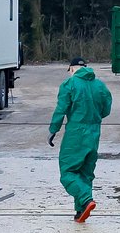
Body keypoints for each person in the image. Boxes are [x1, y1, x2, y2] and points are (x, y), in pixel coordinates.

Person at [48, 57, 112, 222]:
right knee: (85, 173)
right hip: (94, 132)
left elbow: (61, 109)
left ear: (71, 69)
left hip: (76, 133)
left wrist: (53, 129)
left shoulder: (69, 84)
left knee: (68, 172)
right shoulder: (100, 86)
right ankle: (80, 211)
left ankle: (86, 199)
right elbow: (106, 109)